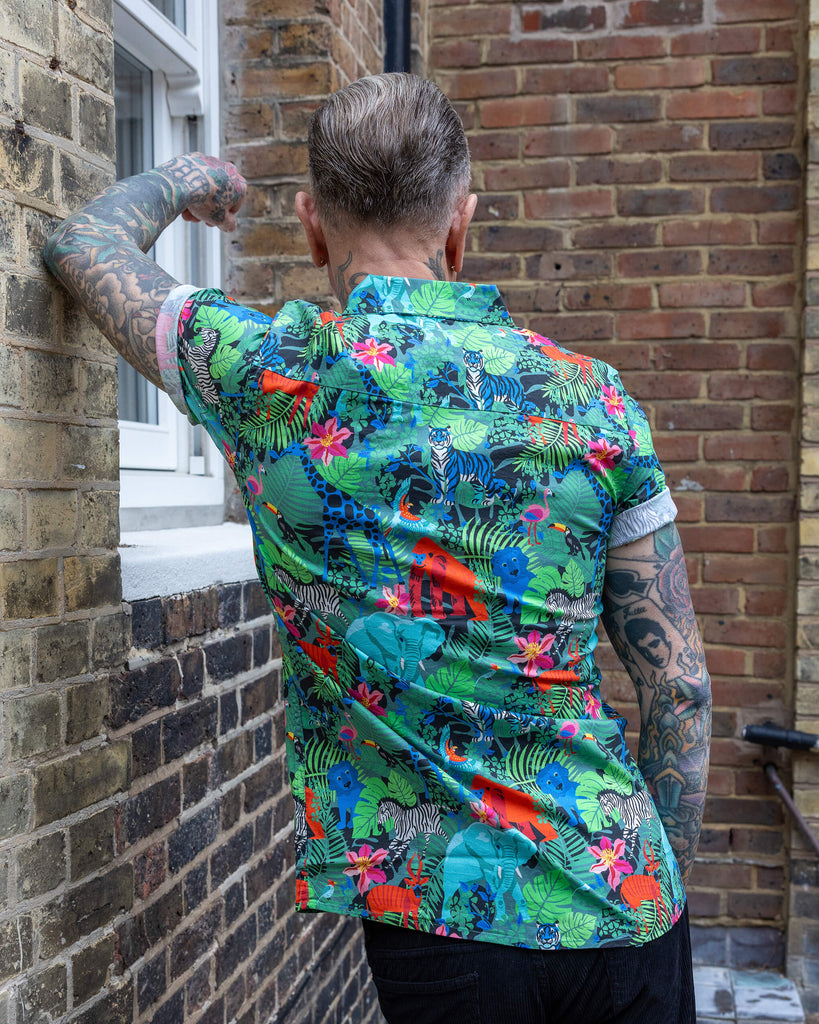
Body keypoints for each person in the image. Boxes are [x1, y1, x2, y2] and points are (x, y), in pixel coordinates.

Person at [45, 73, 711, 1024]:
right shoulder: (593, 401)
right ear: (461, 223)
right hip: (627, 896)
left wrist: (189, 176)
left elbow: (81, 243)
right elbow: (678, 686)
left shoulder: (264, 374)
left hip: (442, 922)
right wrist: (655, 890)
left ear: (314, 227)